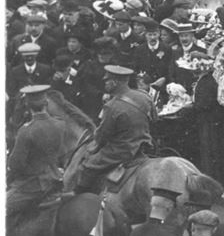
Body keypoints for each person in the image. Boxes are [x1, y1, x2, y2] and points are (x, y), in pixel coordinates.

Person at [75, 65, 153, 194]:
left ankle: (82, 197)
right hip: (143, 146)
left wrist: (92, 149)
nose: (104, 83)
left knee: (86, 167)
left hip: (120, 151)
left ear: (114, 82)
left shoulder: (112, 107)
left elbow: (102, 136)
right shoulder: (144, 97)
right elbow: (154, 119)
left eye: (107, 81)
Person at [6, 85, 66, 217]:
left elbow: (16, 165)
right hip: (56, 178)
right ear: (46, 103)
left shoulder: (26, 130)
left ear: (27, 105)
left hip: (32, 185)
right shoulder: (60, 124)